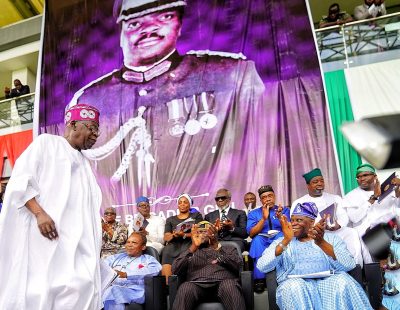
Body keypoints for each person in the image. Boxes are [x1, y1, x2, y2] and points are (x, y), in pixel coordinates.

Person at [67, 0, 265, 210]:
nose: (149, 30)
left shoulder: (230, 74)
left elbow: (260, 146)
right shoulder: (90, 99)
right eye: (135, 23)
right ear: (120, 31)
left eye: (164, 17)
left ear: (180, 24)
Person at [0, 104, 103, 309]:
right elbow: (20, 182)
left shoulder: (84, 163)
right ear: (73, 124)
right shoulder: (47, 143)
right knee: (42, 290)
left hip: (76, 244)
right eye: (92, 128)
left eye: (97, 130)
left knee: (81, 287)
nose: (96, 135)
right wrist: (39, 214)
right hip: (46, 237)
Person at [257, 202, 373, 310]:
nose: (293, 223)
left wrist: (322, 243)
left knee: (343, 281)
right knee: (292, 287)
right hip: (297, 284)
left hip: (330, 281)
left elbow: (349, 264)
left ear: (311, 222)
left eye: (299, 220)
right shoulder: (281, 241)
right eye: (292, 220)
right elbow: (262, 266)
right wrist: (286, 241)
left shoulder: (331, 238)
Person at [291, 168, 363, 266]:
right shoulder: (299, 202)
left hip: (334, 230)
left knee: (352, 232)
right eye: (315, 182)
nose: (319, 183)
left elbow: (343, 216)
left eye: (321, 181)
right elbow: (297, 224)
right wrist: (317, 227)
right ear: (308, 185)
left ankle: (356, 266)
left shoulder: (335, 198)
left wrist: (338, 225)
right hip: (314, 233)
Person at [171, 221, 246, 310]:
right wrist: (193, 247)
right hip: (196, 285)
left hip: (223, 283)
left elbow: (238, 266)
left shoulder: (228, 248)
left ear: (214, 233)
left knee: (230, 285)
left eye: (206, 231)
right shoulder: (190, 251)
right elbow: (175, 269)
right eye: (200, 232)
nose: (203, 234)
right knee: (185, 288)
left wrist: (217, 248)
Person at [343, 164, 400, 262]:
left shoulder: (388, 189)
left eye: (365, 175)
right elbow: (354, 218)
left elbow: (397, 208)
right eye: (359, 177)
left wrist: (398, 193)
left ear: (374, 176)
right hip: (368, 231)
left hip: (391, 226)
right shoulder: (350, 196)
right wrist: (373, 198)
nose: (361, 179)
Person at [247, 185, 290, 293]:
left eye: (270, 195)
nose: (268, 199)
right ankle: (259, 279)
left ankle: (284, 275)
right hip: (262, 239)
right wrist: (263, 218)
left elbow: (289, 230)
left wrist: (281, 217)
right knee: (256, 240)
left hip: (279, 237)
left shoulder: (284, 210)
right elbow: (251, 233)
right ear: (261, 200)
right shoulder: (253, 213)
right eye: (264, 197)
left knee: (282, 238)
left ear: (274, 196)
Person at [102, 232, 162, 310]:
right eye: (128, 242)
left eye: (134, 243)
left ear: (143, 247)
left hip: (135, 291)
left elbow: (155, 270)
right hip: (113, 287)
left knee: (112, 291)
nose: (129, 245)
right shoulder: (117, 257)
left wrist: (127, 274)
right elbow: (103, 266)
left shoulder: (148, 259)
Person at [162, 193, 203, 279]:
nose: (182, 204)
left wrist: (184, 234)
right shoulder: (170, 219)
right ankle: (169, 285)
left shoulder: (196, 216)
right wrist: (174, 234)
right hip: (174, 244)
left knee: (187, 252)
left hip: (190, 243)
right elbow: (166, 237)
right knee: (166, 250)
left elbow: (199, 233)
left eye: (185, 202)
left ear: (190, 204)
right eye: (180, 202)